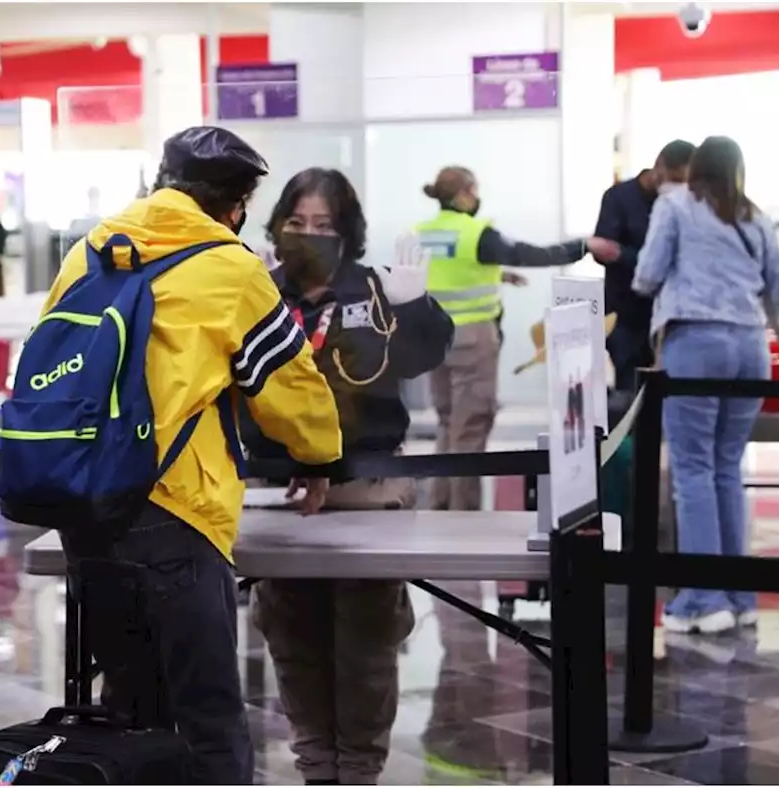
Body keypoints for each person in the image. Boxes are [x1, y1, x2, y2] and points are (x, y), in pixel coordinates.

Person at [47, 127, 343, 784]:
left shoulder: (89, 254)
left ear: (163, 182)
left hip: (83, 505)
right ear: (237, 203)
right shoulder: (231, 269)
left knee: (127, 707)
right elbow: (289, 388)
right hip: (174, 510)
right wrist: (319, 455)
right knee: (207, 715)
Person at [243, 168, 453, 785]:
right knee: (290, 631)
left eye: (325, 225)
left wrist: (415, 304)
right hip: (279, 489)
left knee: (365, 638)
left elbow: (424, 355)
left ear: (349, 231)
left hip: (367, 485)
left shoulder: (375, 288)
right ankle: (316, 766)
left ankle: (358, 769)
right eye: (297, 223)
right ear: (278, 226)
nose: (309, 235)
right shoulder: (260, 288)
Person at [634, 135, 779, 635]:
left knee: (693, 469)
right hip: (750, 347)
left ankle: (703, 599)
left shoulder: (675, 204)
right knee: (726, 468)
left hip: (696, 341)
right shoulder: (758, 217)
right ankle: (739, 596)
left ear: (695, 167)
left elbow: (646, 274)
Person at [416, 165, 620, 511]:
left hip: (433, 337)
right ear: (464, 194)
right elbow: (531, 254)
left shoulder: (421, 232)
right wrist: (583, 246)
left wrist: (499, 274)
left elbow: (447, 272)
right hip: (471, 340)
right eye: (475, 190)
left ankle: (438, 508)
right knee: (469, 430)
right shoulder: (476, 233)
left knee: (447, 424)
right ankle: (462, 518)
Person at [595, 140, 697, 393]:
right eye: (674, 179)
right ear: (658, 166)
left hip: (667, 319)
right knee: (629, 395)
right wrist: (640, 260)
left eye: (684, 182)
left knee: (666, 396)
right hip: (625, 316)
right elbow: (603, 251)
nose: (677, 187)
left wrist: (622, 254)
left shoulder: (682, 205)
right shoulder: (618, 198)